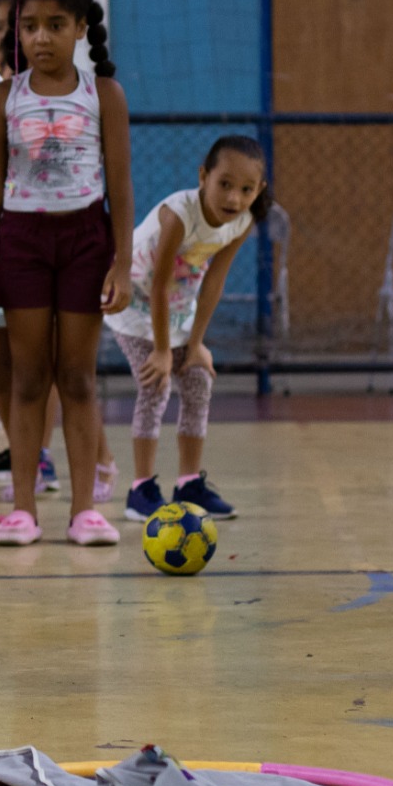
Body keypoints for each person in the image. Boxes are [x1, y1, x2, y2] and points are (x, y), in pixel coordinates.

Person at [0, 0, 132, 547]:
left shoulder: (103, 94)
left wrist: (123, 262)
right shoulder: (2, 98)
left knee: (78, 377)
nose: (42, 37)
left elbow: (120, 182)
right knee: (29, 377)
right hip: (22, 243)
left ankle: (86, 510)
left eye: (56, 25)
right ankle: (21, 509)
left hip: (87, 240)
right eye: (30, 25)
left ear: (81, 29)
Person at [108, 137, 262, 524]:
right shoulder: (180, 213)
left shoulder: (242, 221)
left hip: (178, 312)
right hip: (135, 307)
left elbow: (214, 281)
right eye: (224, 184)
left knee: (197, 379)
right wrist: (161, 351)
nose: (234, 198)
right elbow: (159, 284)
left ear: (258, 191)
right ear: (203, 177)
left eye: (246, 189)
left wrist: (196, 344)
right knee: (155, 384)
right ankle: (140, 490)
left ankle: (189, 483)